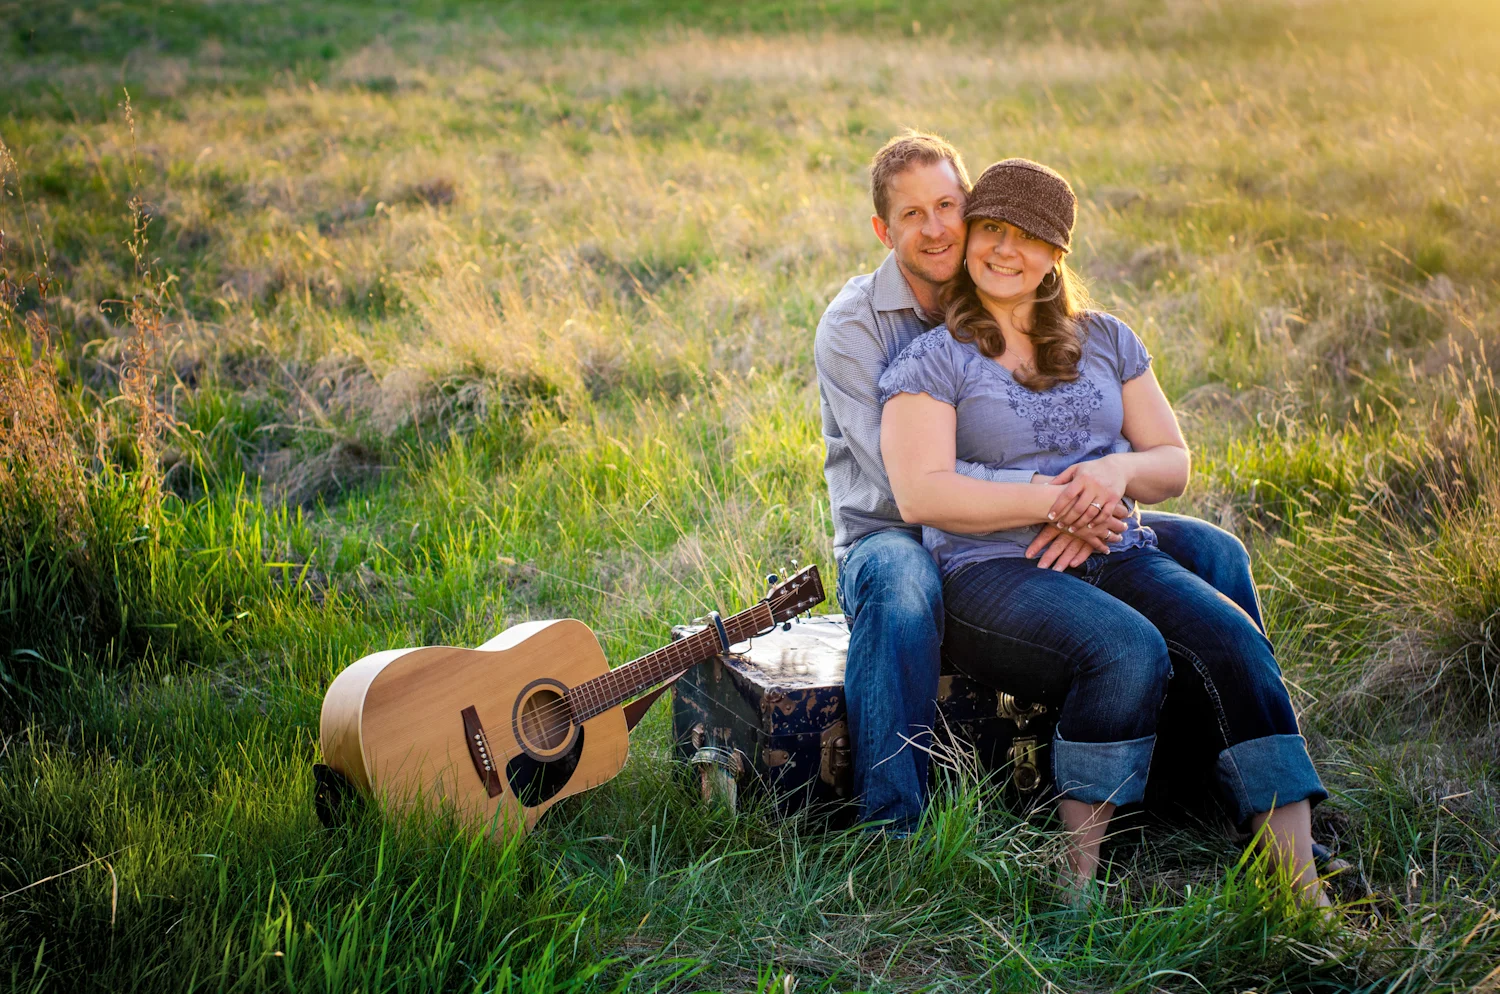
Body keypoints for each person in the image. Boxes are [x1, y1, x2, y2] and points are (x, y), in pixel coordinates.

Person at [876, 156, 1328, 902]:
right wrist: (1057, 502)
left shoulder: (1107, 339)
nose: (1003, 250)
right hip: (990, 572)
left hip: (1114, 546)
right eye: (990, 229)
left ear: (1057, 255)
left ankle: (1302, 886)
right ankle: (1076, 883)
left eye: (1028, 237)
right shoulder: (933, 359)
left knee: (1233, 640)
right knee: (1126, 649)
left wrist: (1112, 478)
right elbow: (922, 494)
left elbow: (1171, 462)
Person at [814, 131, 1265, 837]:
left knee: (1214, 554)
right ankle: (891, 825)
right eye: (911, 215)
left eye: (947, 207)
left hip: (1043, 515)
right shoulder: (855, 328)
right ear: (883, 229)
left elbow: (1108, 435)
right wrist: (1053, 500)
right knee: (905, 588)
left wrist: (1093, 488)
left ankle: (1211, 786)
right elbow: (909, 484)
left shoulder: (1015, 295)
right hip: (899, 530)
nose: (934, 228)